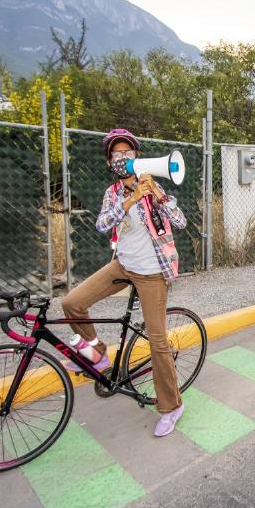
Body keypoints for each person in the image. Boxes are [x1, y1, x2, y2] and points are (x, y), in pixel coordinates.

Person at [61, 128, 188, 437]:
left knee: (158, 342)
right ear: (110, 163)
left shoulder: (153, 186)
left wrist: (156, 194)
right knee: (71, 303)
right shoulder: (112, 193)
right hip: (123, 265)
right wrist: (131, 199)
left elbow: (181, 221)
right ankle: (98, 351)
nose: (122, 159)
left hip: (153, 273)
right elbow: (102, 224)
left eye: (127, 154)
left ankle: (172, 406)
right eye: (116, 156)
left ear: (136, 158)